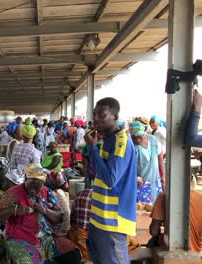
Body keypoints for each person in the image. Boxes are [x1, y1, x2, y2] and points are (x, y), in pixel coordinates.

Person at [0, 164, 80, 264]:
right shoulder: (12, 193)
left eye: (37, 188)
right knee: (27, 261)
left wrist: (46, 211)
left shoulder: (46, 192)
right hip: (19, 238)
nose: (33, 191)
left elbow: (60, 217)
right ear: (25, 179)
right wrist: (14, 210)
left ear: (43, 183)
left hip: (46, 238)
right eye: (31, 186)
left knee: (72, 253)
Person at [84, 97, 137, 264]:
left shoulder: (121, 142)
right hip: (100, 218)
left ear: (115, 117)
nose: (96, 118)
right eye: (95, 114)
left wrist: (91, 148)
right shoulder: (106, 141)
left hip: (112, 220)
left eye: (102, 114)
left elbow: (110, 179)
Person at [67, 189, 140, 261]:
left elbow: (72, 221)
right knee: (133, 243)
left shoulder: (81, 194)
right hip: (102, 247)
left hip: (80, 245)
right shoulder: (113, 198)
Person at [148, 177, 202, 253]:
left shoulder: (164, 196)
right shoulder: (200, 197)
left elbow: (154, 231)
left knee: (152, 242)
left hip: (169, 250)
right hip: (196, 251)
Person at [129, 121, 165, 204]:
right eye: (134, 137)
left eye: (139, 136)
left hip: (155, 182)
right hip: (140, 185)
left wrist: (163, 175)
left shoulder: (153, 140)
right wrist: (134, 178)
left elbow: (160, 156)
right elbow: (126, 167)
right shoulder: (130, 146)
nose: (137, 139)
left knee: (156, 208)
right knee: (143, 210)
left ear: (144, 132)